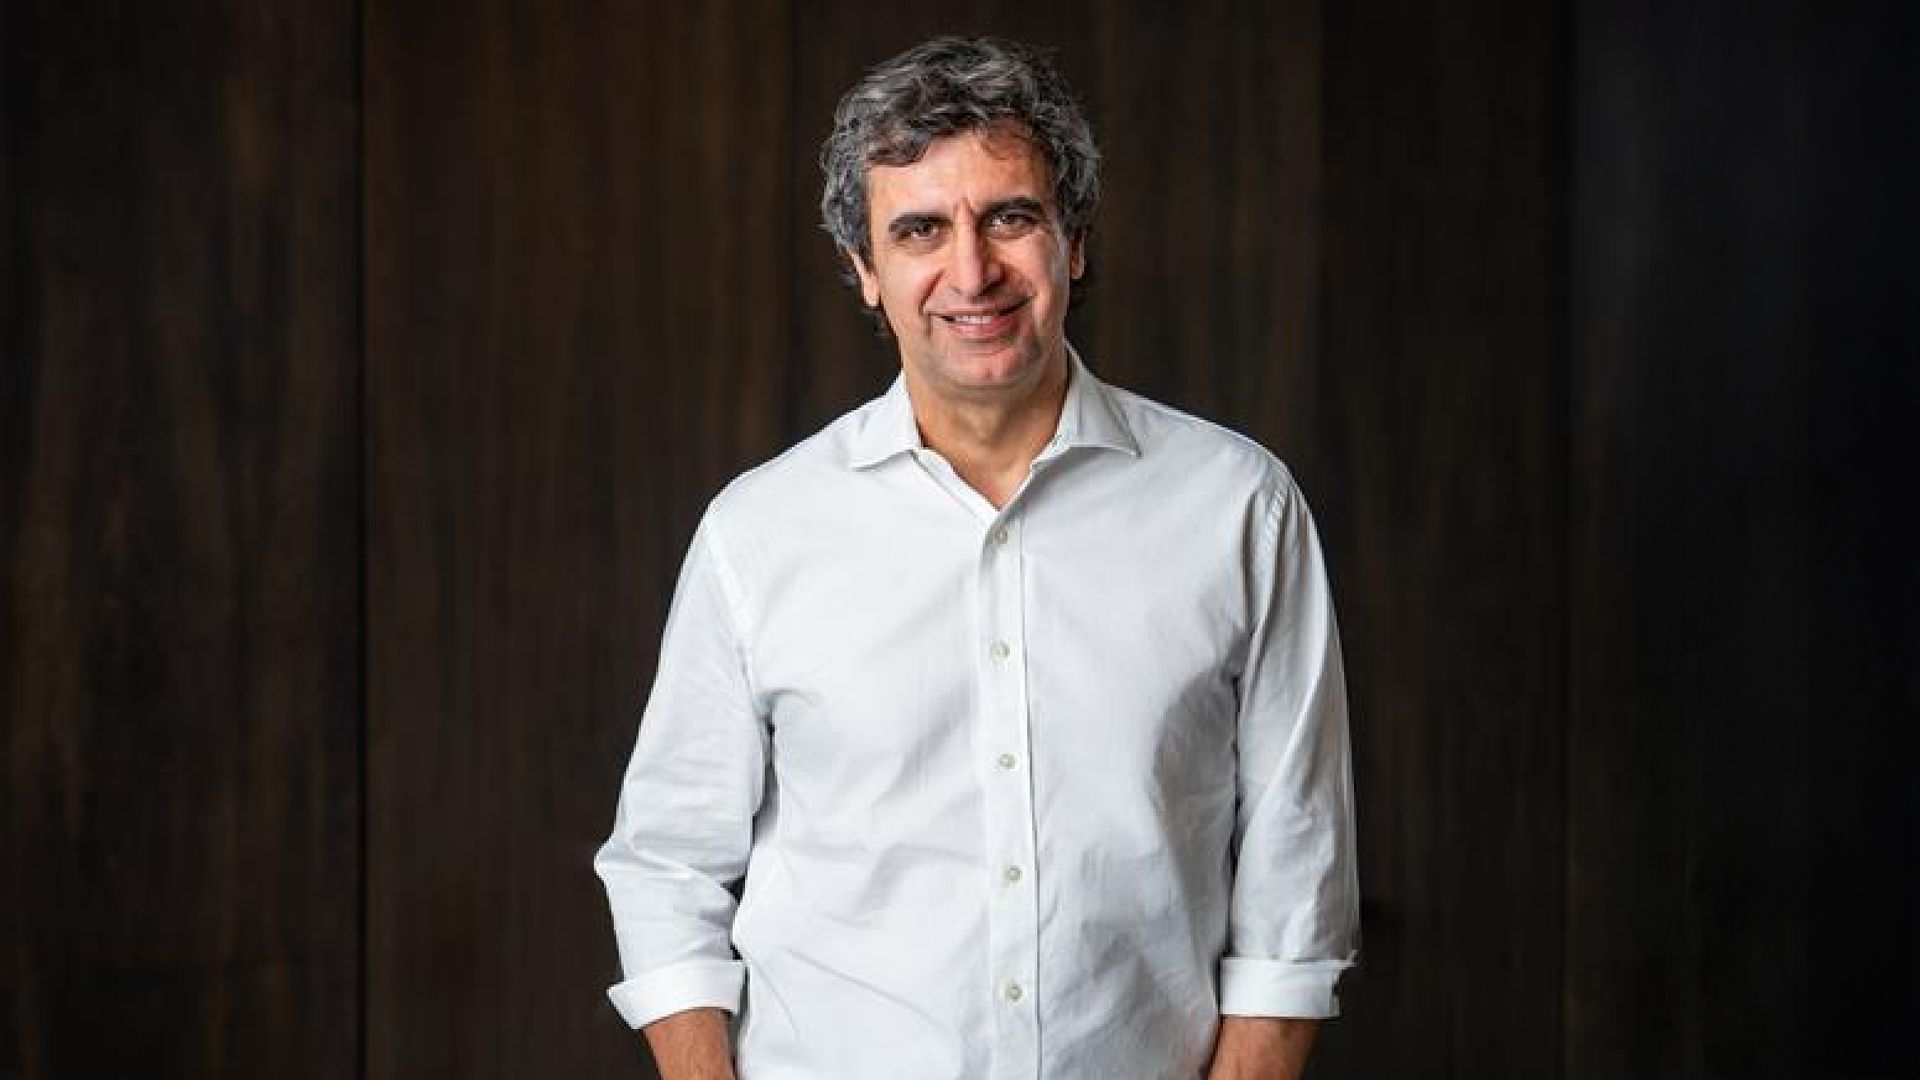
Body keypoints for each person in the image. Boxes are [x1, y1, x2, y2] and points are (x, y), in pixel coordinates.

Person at [595, 35, 1358, 1080]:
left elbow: (1295, 885)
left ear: (1073, 243)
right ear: (866, 271)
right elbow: (666, 867)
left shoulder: (1238, 509)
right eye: (919, 230)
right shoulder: (759, 533)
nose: (972, 272)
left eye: (1011, 216)